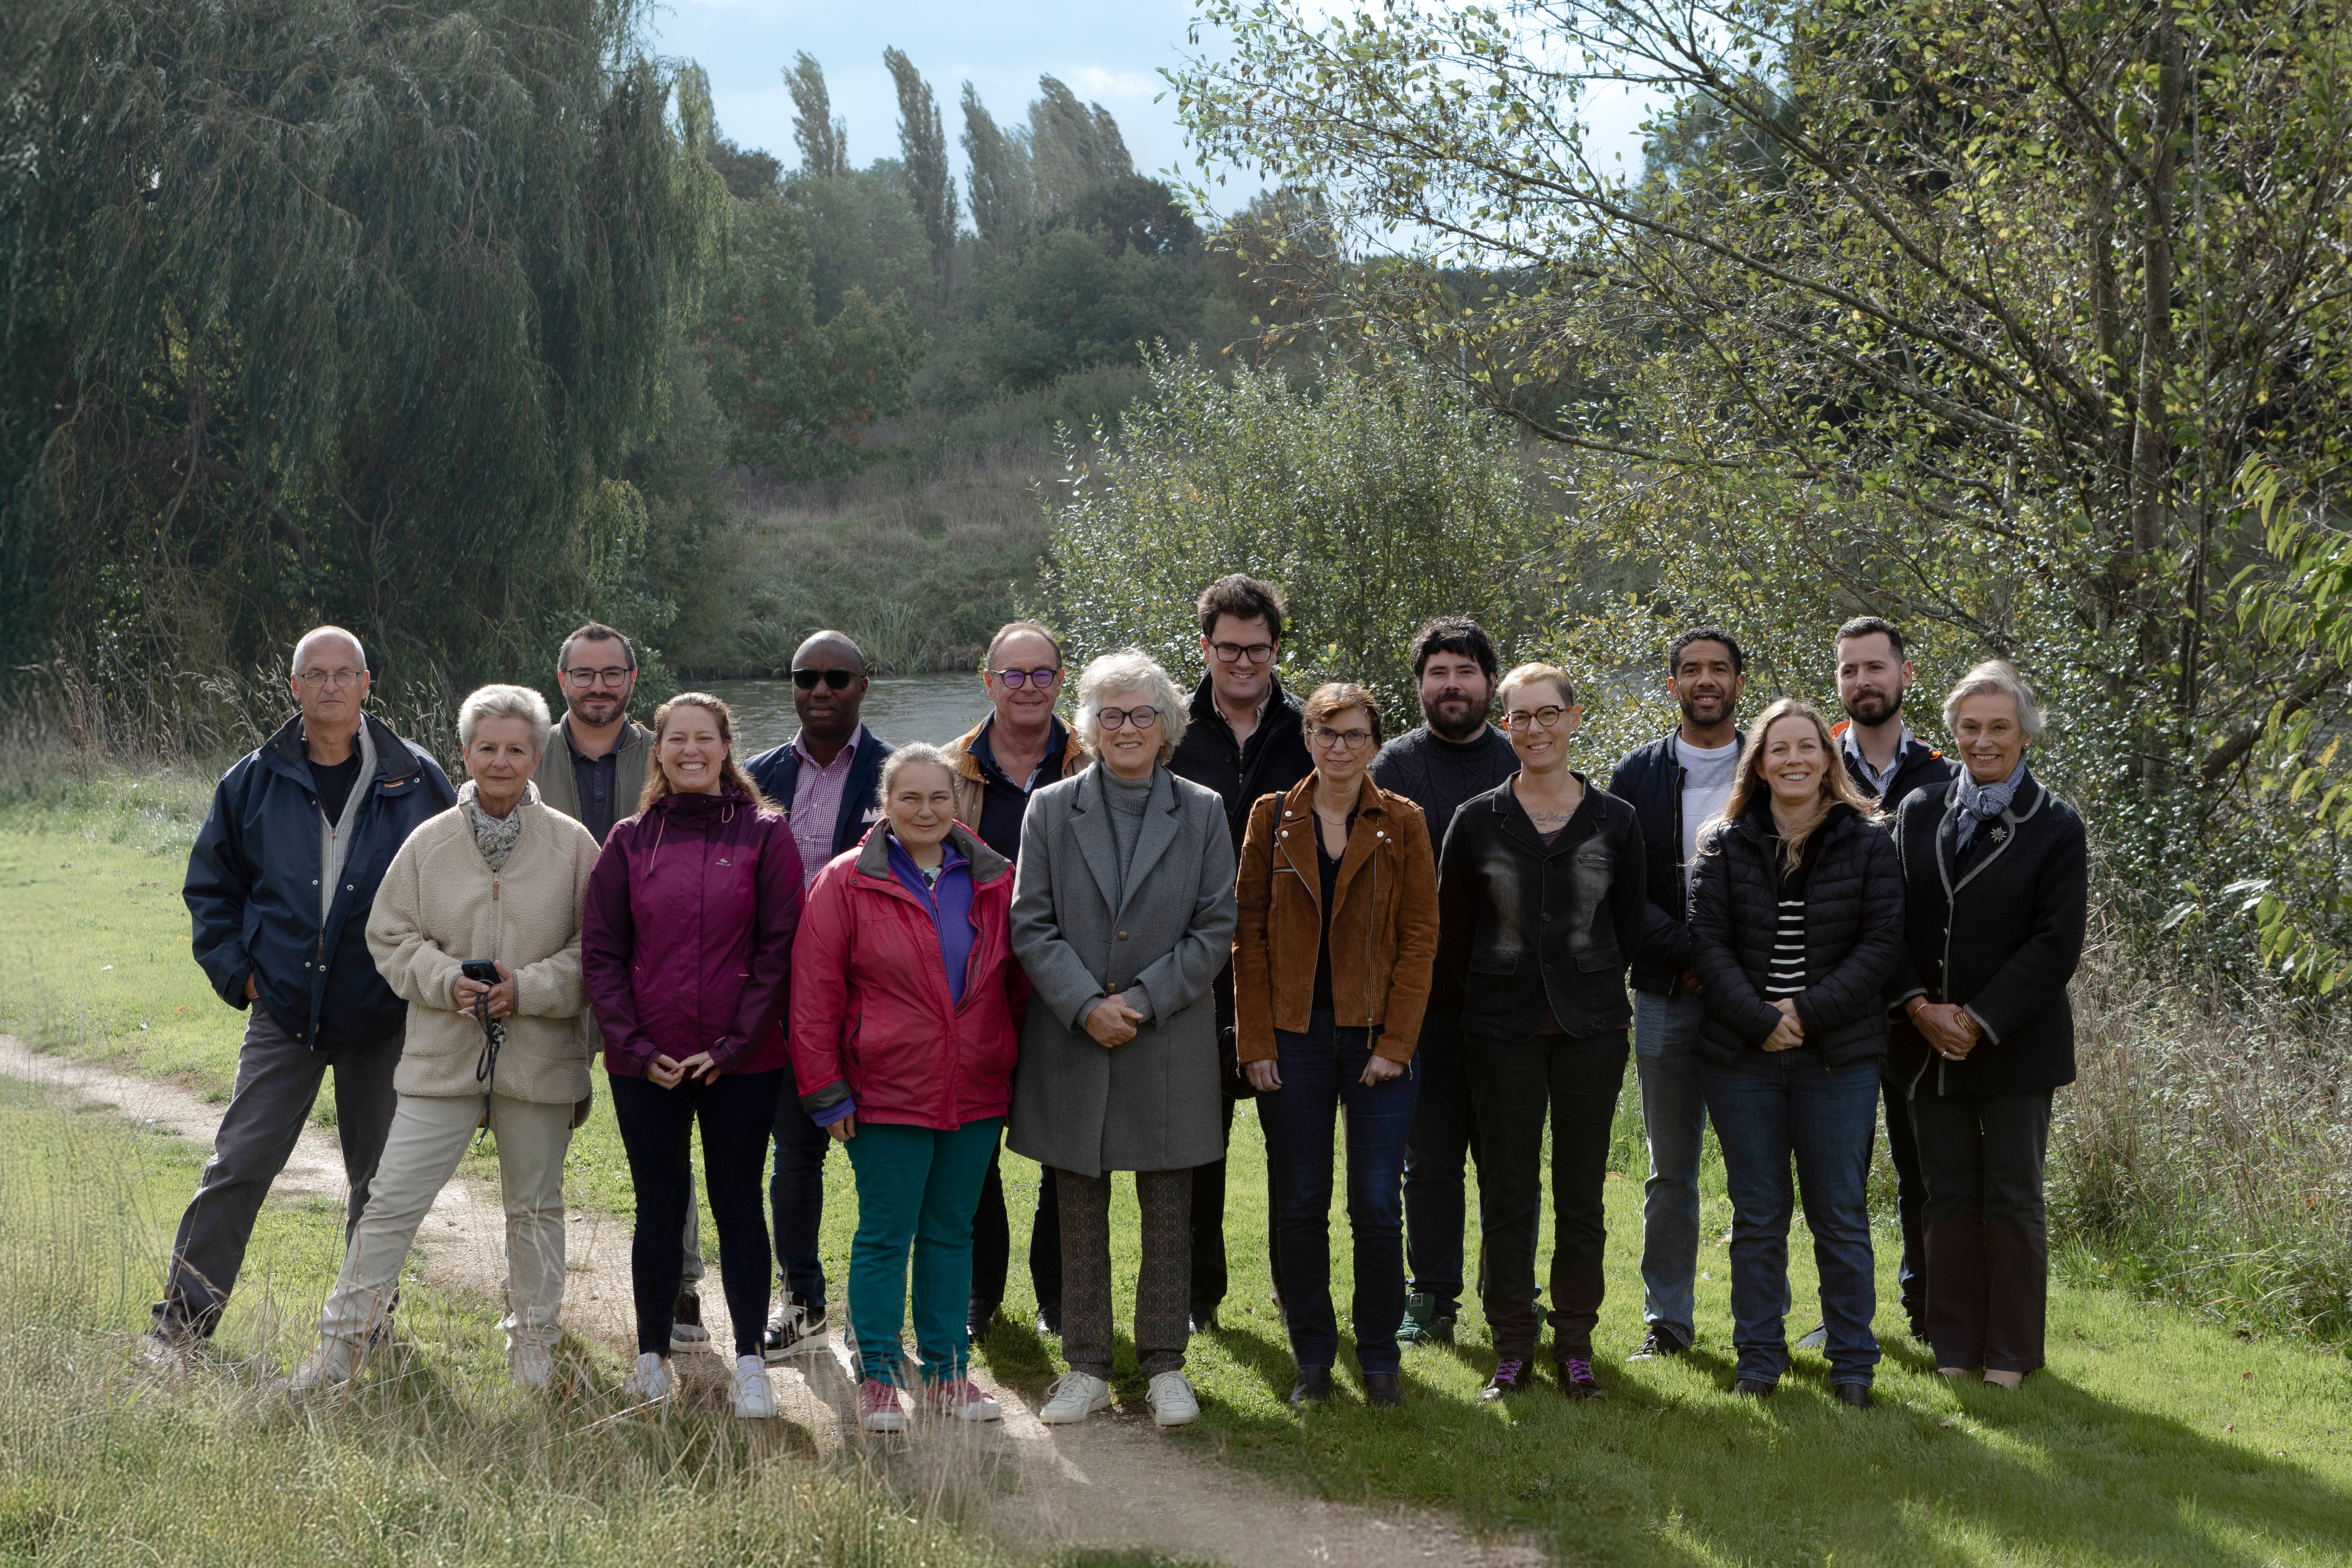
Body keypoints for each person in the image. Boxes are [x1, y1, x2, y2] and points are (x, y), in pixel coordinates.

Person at [150, 627, 455, 1358]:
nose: (329, 686)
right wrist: (242, 976)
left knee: (378, 1183)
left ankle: (369, 1327)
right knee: (238, 1165)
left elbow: (453, 890)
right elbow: (211, 891)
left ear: (366, 683)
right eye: (313, 674)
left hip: (382, 1017)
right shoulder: (252, 779)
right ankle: (182, 1324)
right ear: (294, 688)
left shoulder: (418, 777)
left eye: (342, 673)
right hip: (283, 1013)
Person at [294, 685, 600, 1392]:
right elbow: (389, 934)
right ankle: (340, 1347)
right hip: (441, 1055)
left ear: (538, 754)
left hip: (540, 1058)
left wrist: (527, 988)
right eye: (486, 747)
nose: (500, 761)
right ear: (465, 753)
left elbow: (596, 949)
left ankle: (534, 1347)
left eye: (516, 748)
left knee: (535, 1206)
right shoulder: (429, 842)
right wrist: (443, 979)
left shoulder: (573, 846)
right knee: (393, 1199)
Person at [1009, 649, 1238, 1428]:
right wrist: (1085, 1004)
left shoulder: (1204, 809)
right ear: (1091, 727)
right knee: (1079, 1207)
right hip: (1074, 1036)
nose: (1128, 727)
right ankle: (1086, 1366)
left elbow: (1216, 928)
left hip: (1165, 1034)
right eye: (1111, 714)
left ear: (1167, 723)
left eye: (1143, 713)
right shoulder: (1050, 807)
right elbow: (1030, 922)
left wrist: (1139, 1001)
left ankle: (1166, 1364)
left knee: (1170, 1208)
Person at [790, 745, 1032, 1432]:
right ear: (885, 806)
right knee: (886, 1233)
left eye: (939, 798)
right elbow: (814, 995)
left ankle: (948, 1369)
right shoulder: (845, 882)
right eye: (911, 798)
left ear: (957, 802)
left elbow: (1015, 987)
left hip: (975, 1087)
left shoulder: (992, 878)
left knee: (952, 1231)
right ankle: (876, 1374)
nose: (926, 811)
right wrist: (828, 1091)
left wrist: (1007, 1068)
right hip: (884, 1089)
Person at [583, 693, 802, 1417]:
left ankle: (749, 1363)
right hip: (646, 1064)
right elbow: (605, 954)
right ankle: (650, 1355)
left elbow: (779, 951)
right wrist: (637, 1047)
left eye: (704, 739)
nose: (690, 751)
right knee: (659, 1204)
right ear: (660, 751)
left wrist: (733, 1046)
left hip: (742, 1061)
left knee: (739, 1205)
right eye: (676, 740)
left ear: (725, 747)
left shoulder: (767, 836)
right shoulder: (628, 840)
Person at [1437, 664, 1645, 1401]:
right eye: (1519, 717)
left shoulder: (1616, 819)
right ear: (1507, 724)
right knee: (1507, 1191)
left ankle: (1577, 1344)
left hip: (1591, 1028)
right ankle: (1513, 1344)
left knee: (1581, 1194)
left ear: (1574, 716)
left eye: (1548, 713)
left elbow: (1628, 923)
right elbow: (1453, 937)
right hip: (1501, 1032)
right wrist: (1495, 1000)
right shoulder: (1476, 820)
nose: (1535, 729)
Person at [1687, 698, 1902, 1407]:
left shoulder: (1870, 841)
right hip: (1741, 1056)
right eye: (1778, 749)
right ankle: (1758, 1355)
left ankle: (1852, 1364)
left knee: (1839, 1211)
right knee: (1757, 1212)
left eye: (1806, 747)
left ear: (1827, 758)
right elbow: (1708, 947)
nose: (1794, 760)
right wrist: (1759, 1020)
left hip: (1836, 1057)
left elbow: (1879, 948)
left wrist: (1804, 1013)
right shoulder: (1721, 842)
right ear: (1759, 762)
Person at [1234, 683, 1437, 1407]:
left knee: (1378, 1204)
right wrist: (1255, 1038)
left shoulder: (1403, 821)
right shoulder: (1272, 816)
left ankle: (1379, 1356)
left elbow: (1420, 939)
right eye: (1327, 732)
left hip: (1377, 1039)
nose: (1341, 746)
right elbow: (1247, 935)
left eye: (1355, 734)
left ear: (1375, 743)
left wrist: (1398, 1039)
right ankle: (1315, 1357)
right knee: (1301, 1201)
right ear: (1308, 738)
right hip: (1293, 1038)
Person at [1888, 662, 2086, 1389]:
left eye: (1999, 726)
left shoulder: (2058, 826)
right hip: (1926, 1043)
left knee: (2011, 1195)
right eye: (1970, 726)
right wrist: (1917, 1005)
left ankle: (2008, 1356)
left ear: (2027, 733)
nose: (1983, 739)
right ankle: (1953, 1346)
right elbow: (1892, 922)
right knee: (1945, 1194)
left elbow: (2055, 943)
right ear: (1954, 731)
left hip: (2015, 1043)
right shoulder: (1917, 809)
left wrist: (1978, 1017)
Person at [534, 621, 710, 1355]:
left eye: (612, 673)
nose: (599, 685)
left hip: (651, 975)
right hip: (551, 968)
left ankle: (683, 1287)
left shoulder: (668, 749)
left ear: (632, 681)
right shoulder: (527, 749)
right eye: (585, 673)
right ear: (562, 679)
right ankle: (535, 1293)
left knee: (668, 1140)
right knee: (539, 1128)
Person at [1167, 574, 1314, 1333]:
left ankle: (1295, 1294)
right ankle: (1201, 1298)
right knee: (1202, 1144)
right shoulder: (1170, 730)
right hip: (1196, 966)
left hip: (1290, 966)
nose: (1244, 662)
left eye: (1258, 649)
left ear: (1276, 649)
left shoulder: (1310, 730)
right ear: (1206, 647)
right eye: (1229, 648)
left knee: (1293, 1143)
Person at [743, 631, 893, 1363]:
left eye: (838, 677)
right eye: (807, 677)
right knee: (794, 1156)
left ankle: (879, 1311)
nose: (822, 690)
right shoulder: (757, 776)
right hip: (782, 1003)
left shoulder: (896, 775)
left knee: (882, 1157)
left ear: (865, 684)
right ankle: (801, 1299)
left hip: (874, 1000)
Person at [1370, 616, 1520, 1345]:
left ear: (1490, 681)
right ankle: (1431, 1298)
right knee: (1428, 1159)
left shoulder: (1521, 756)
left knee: (1508, 1157)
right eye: (1438, 672)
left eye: (1465, 671)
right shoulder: (1392, 767)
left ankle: (1509, 1295)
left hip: (1512, 999)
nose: (1452, 684)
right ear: (1421, 684)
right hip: (1420, 1001)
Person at [1605, 626, 1747, 1361]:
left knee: (1761, 1170)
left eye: (1718, 669)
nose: (1705, 680)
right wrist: (1695, 956)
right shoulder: (1636, 776)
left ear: (1738, 684)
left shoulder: (1775, 763)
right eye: (1691, 669)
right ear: (1673, 685)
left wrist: (1725, 966)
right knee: (1670, 1170)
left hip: (1756, 998)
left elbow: (1794, 884)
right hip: (1666, 992)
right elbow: (1620, 894)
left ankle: (1766, 1325)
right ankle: (1669, 1322)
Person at [949, 621, 1089, 1340]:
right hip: (975, 983)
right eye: (1014, 674)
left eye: (1042, 674)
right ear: (989, 681)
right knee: (974, 1133)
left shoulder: (1096, 762)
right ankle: (981, 1288)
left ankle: (1058, 1293)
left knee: (1062, 1139)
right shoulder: (947, 770)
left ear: (1061, 681)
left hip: (1068, 980)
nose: (1028, 687)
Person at [1826, 614, 1954, 1345]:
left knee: (1921, 1165)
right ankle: (1842, 1318)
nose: (1862, 682)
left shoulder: (1945, 772)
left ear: (1905, 675)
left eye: (1875, 667)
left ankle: (1928, 1310)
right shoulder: (1811, 763)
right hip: (1833, 1003)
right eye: (1849, 670)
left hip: (1915, 1006)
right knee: (1834, 1175)